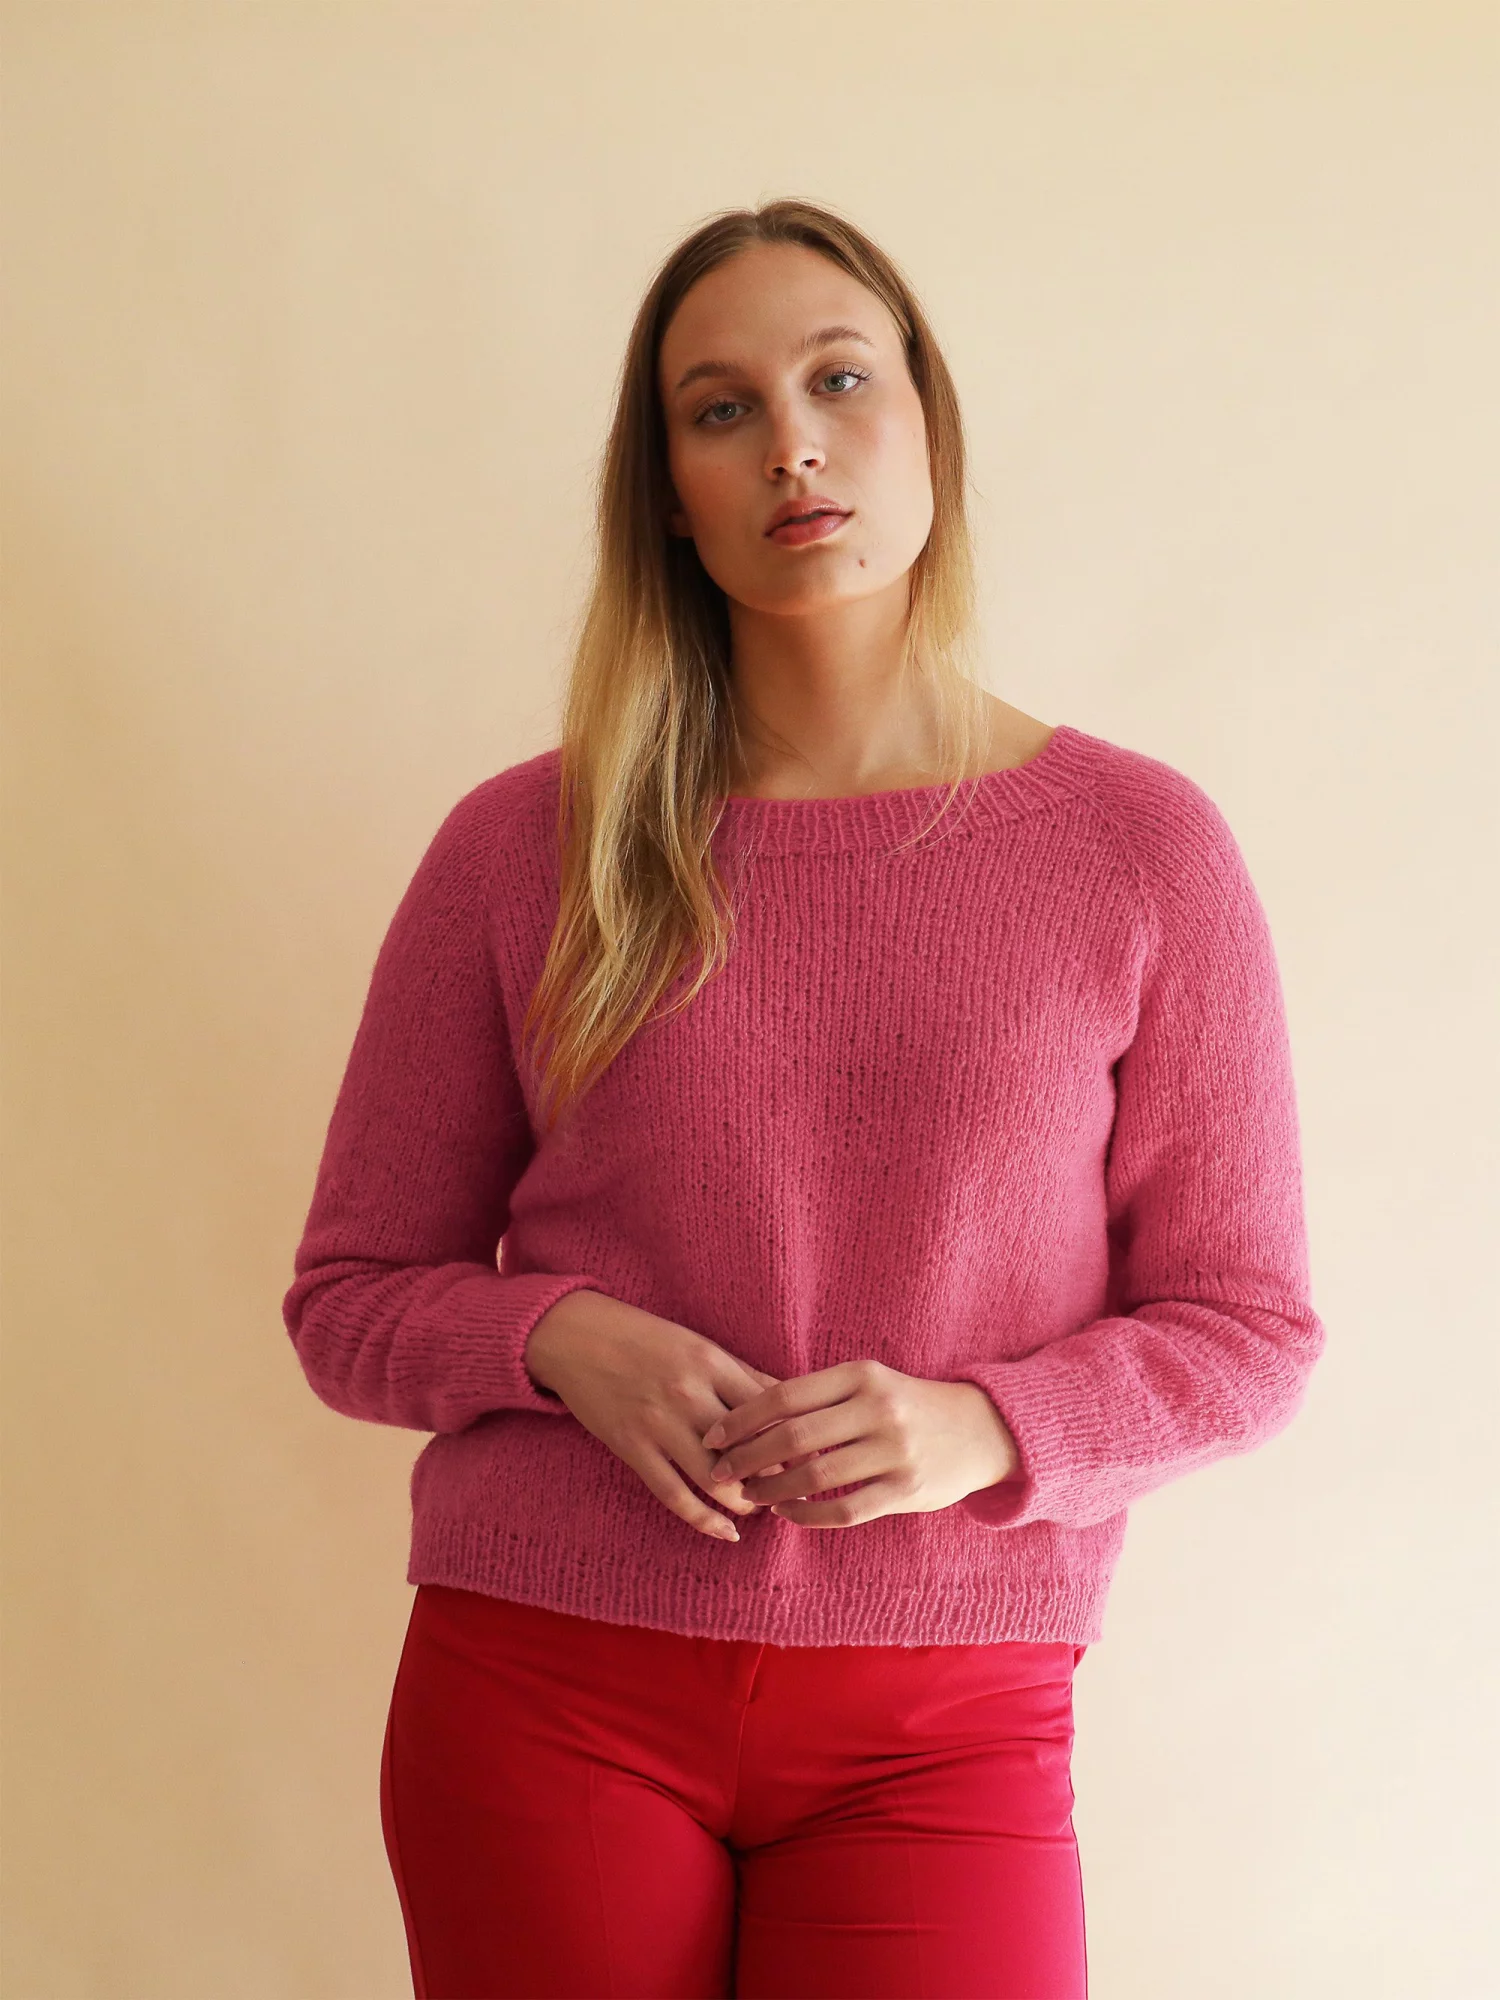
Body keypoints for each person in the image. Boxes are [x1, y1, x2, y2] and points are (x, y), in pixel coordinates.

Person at [282, 196, 1325, 2000]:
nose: (792, 444)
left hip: (950, 1719)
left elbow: (1250, 1328)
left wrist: (988, 1425)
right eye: (722, 409)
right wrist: (557, 1341)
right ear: (668, 497)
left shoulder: (1140, 851)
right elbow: (348, 1300)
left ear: (929, 427)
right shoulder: (522, 850)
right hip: (544, 1682)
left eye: (840, 381)